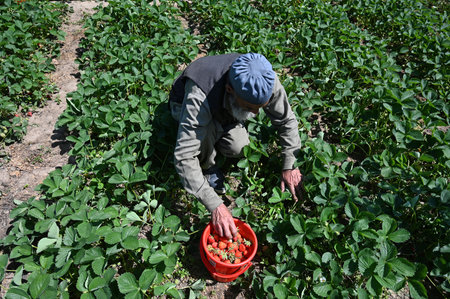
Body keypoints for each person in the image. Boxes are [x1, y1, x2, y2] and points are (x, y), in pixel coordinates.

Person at [169, 53, 303, 239]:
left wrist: (289, 164)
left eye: (260, 106)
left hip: (226, 107)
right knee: (202, 135)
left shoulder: (265, 79)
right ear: (230, 89)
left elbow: (287, 120)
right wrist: (215, 205)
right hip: (185, 105)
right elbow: (184, 157)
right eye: (250, 107)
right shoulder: (199, 95)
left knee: (239, 147)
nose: (256, 113)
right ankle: (207, 167)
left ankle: (222, 126)